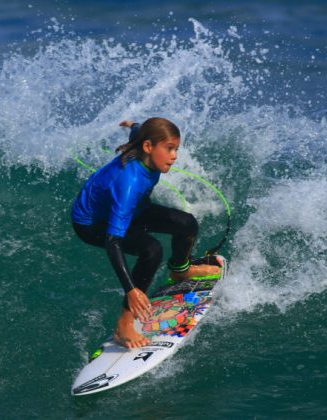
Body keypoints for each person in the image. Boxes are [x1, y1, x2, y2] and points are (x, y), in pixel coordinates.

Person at [71, 117, 220, 349]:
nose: (174, 156)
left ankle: (181, 271)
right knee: (151, 250)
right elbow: (113, 241)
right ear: (148, 148)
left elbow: (139, 131)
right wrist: (130, 289)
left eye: (176, 149)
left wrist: (132, 125)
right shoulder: (129, 182)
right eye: (169, 149)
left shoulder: (144, 142)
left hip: (134, 208)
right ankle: (124, 323)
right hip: (92, 223)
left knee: (187, 223)